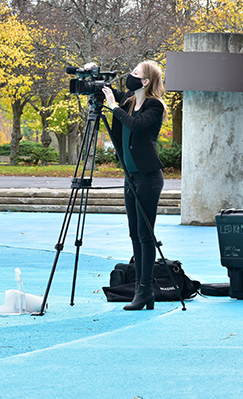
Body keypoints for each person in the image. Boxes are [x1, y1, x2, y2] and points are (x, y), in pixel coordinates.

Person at [100, 61, 167, 311]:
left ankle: (145, 289)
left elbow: (135, 125)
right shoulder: (128, 99)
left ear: (146, 81)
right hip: (130, 177)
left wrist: (114, 109)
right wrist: (92, 77)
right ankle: (141, 289)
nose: (130, 76)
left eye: (136, 73)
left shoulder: (154, 105)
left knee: (145, 235)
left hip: (148, 178)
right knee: (133, 235)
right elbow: (106, 93)